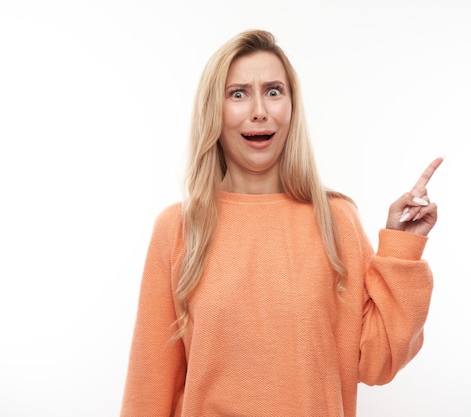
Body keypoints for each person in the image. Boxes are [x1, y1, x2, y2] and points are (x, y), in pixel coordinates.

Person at [119, 29, 443, 417]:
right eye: (238, 94)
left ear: (291, 106)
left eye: (274, 91)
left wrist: (401, 250)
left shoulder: (336, 219)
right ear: (214, 110)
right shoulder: (177, 228)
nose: (259, 110)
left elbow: (377, 362)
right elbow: (149, 386)